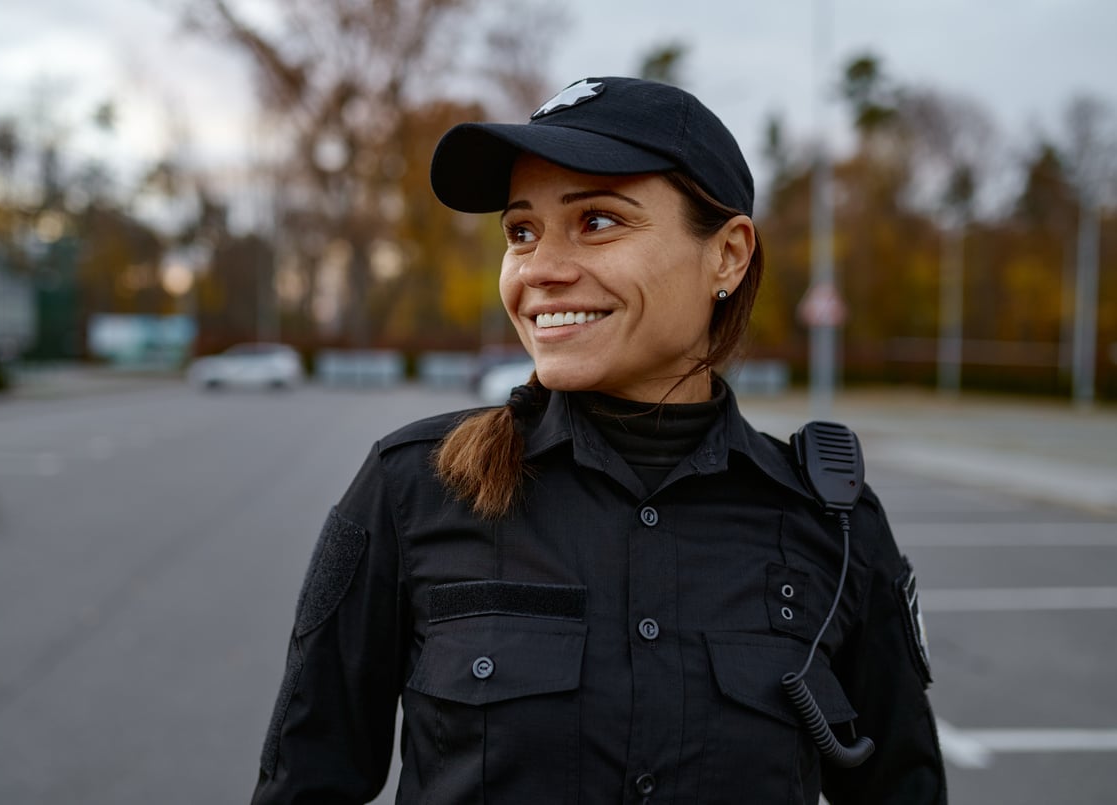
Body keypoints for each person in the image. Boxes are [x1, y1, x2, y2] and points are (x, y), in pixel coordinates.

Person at [251, 76, 947, 804]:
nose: (541, 269)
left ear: (729, 256)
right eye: (522, 232)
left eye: (598, 222)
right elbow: (304, 783)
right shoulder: (411, 488)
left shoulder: (832, 521)